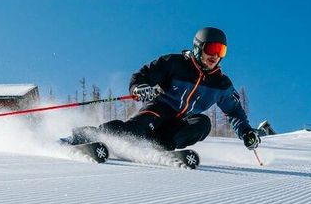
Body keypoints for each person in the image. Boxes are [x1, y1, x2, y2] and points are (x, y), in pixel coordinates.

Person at [74, 27, 261, 152]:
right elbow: (143, 75)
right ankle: (89, 136)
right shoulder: (174, 63)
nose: (215, 56)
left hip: (181, 123)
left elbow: (234, 110)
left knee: (203, 124)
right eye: (211, 49)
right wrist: (140, 88)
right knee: (136, 129)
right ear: (198, 47)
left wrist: (246, 132)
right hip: (159, 109)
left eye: (221, 51)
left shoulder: (221, 84)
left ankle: (160, 148)